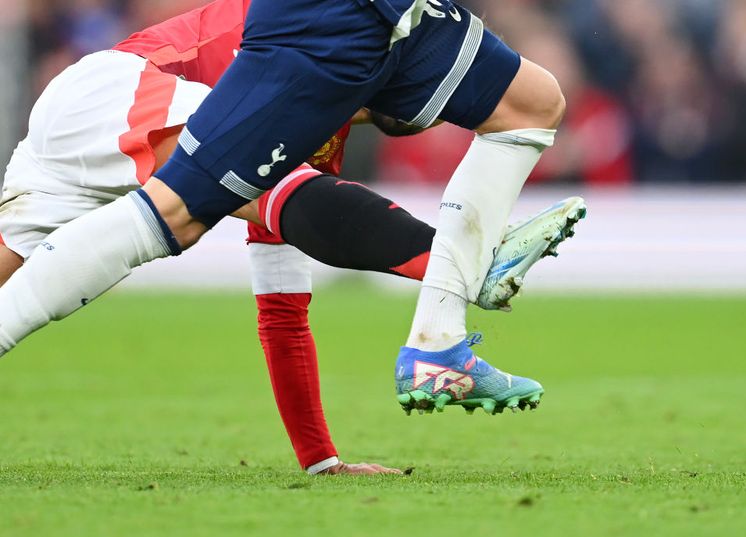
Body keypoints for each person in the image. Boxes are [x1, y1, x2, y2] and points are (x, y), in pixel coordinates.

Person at [0, 0, 587, 417]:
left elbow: (282, 303)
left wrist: (320, 461)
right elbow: (313, 215)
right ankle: (446, 322)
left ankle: (440, 336)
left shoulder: (304, 125)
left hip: (80, 119)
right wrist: (463, 266)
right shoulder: (310, 70)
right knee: (182, 212)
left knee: (531, 103)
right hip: (117, 87)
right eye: (403, 113)